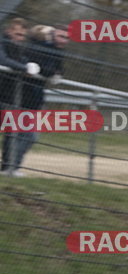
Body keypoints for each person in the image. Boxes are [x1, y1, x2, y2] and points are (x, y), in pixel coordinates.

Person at [12, 24, 66, 175]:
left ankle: (13, 165)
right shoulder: (37, 48)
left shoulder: (57, 52)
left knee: (28, 135)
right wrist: (51, 72)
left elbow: (57, 69)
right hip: (24, 96)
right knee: (26, 135)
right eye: (59, 36)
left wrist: (56, 73)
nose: (63, 41)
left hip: (36, 98)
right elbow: (44, 68)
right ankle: (11, 166)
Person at [0, 17, 40, 175]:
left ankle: (7, 167)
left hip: (9, 97)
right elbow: (3, 60)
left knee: (11, 133)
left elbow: (21, 61)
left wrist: (30, 66)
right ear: (9, 31)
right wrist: (24, 68)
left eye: (23, 35)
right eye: (17, 34)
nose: (20, 38)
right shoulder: (2, 43)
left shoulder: (18, 48)